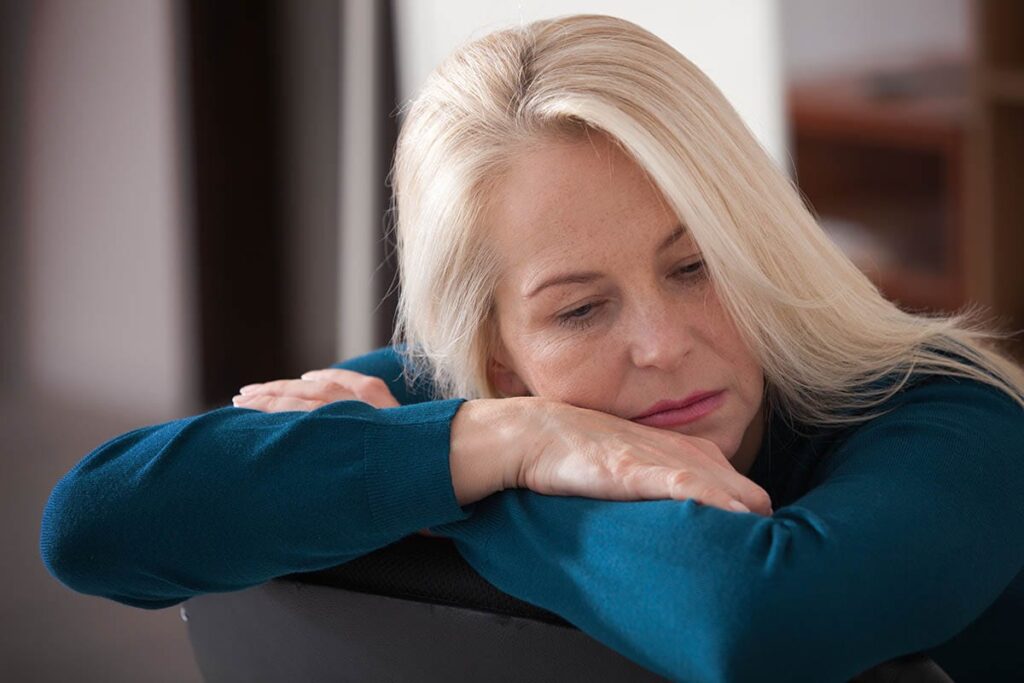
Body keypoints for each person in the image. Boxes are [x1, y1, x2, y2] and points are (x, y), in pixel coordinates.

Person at [40, 13, 1023, 683]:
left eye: (694, 267)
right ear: (497, 352)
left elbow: (758, 620)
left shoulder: (951, 413)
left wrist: (467, 481)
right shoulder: (484, 402)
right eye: (579, 310)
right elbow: (96, 524)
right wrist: (513, 438)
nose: (661, 343)